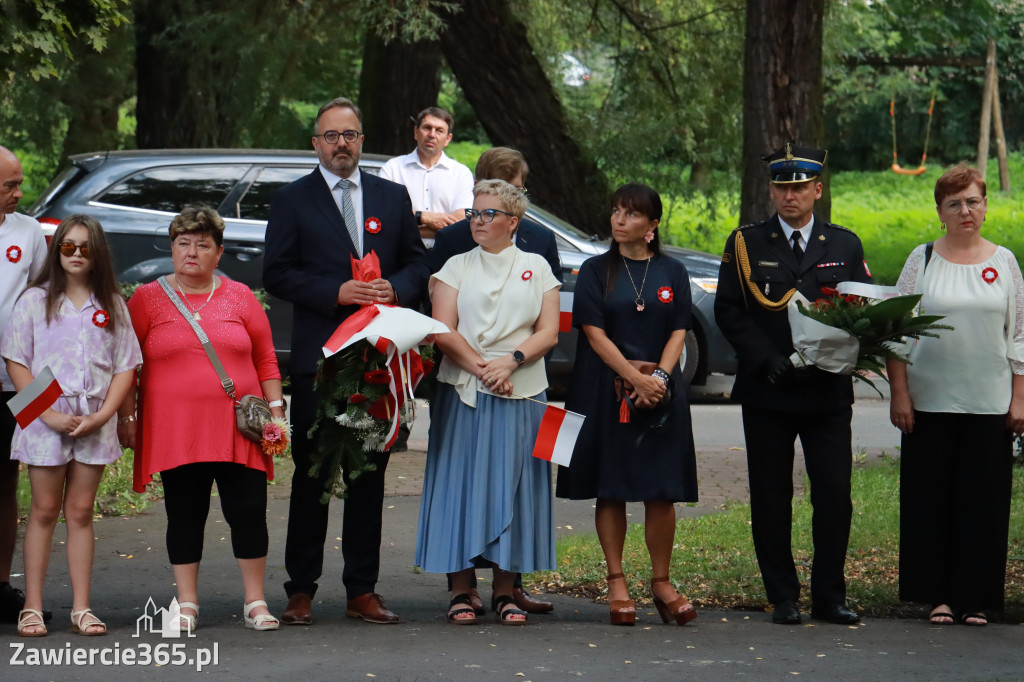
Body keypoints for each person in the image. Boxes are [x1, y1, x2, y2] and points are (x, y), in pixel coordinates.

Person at [264, 97, 429, 626]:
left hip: (378, 361)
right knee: (313, 475)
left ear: (362, 140)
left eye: (351, 135)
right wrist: (338, 291)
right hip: (322, 361)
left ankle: (362, 589)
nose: (342, 144)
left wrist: (394, 288)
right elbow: (278, 274)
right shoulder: (293, 201)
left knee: (368, 477)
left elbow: (417, 265)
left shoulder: (391, 196)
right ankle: (300, 589)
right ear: (316, 143)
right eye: (332, 136)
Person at [714, 144, 870, 625]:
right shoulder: (746, 242)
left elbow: (861, 308)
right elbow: (729, 310)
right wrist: (764, 357)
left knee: (833, 494)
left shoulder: (844, 244)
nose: (790, 196)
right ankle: (782, 595)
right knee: (770, 494)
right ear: (771, 191)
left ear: (817, 191)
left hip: (825, 392)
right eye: (782, 187)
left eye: (800, 187)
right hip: (769, 390)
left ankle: (829, 595)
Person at [122, 206, 285, 632]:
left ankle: (255, 601)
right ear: (173, 248)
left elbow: (265, 358)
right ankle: (188, 604)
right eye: (183, 242)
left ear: (219, 253)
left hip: (239, 428)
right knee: (184, 513)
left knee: (248, 511)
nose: (191, 251)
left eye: (202, 244)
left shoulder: (240, 296)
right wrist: (127, 415)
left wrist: (278, 414)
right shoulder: (146, 299)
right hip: (175, 430)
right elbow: (125, 362)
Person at [415, 179, 560, 625]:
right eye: (474, 213)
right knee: (460, 484)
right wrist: (482, 367)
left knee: (516, 487)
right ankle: (461, 590)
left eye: (488, 214)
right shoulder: (455, 265)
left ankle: (505, 590)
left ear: (512, 222)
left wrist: (511, 362)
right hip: (465, 388)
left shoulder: (537, 265)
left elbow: (548, 331)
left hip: (524, 389)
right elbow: (442, 328)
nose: (477, 220)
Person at [556, 183, 698, 627]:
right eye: (616, 211)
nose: (619, 220)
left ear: (651, 226)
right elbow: (594, 334)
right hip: (606, 388)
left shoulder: (673, 271)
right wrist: (633, 376)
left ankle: (661, 583)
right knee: (611, 485)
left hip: (659, 394)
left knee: (661, 489)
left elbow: (679, 330)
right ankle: (616, 582)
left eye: (631, 214)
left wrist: (657, 378)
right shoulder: (595, 271)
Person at [887, 164, 1023, 627]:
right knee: (931, 500)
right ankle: (938, 596)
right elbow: (896, 329)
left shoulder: (1004, 261)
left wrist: (1019, 399)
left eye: (973, 201)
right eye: (954, 203)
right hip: (928, 402)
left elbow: (1019, 335)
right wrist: (899, 393)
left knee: (982, 502)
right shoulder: (921, 259)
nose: (966, 210)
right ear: (940, 211)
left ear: (985, 206)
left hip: (989, 402)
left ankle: (976, 597)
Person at [3, 215, 141, 636]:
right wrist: (48, 414)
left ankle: (82, 607)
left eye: (85, 247)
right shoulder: (33, 300)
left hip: (93, 420)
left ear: (97, 252)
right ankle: (32, 605)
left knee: (80, 511)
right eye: (68, 247)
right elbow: (15, 362)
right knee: (43, 510)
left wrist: (105, 416)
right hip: (45, 419)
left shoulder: (112, 303)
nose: (76, 254)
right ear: (56, 250)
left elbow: (125, 366)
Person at [0, 146, 48, 626]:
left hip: (17, 385)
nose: (19, 193)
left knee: (9, 482)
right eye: (9, 186)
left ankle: (1, 588)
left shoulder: (29, 232)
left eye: (17, 183)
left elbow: (40, 301)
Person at [378, 107, 474, 242]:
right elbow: (384, 213)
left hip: (447, 256)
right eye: (427, 128)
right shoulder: (392, 168)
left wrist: (408, 228)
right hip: (401, 256)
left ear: (448, 139)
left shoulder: (461, 174)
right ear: (416, 132)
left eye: (439, 130)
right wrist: (422, 216)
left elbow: (462, 221)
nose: (432, 134)